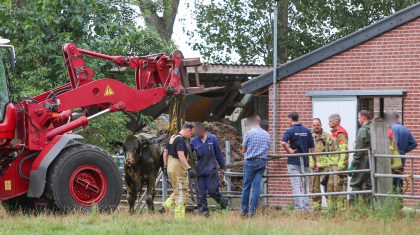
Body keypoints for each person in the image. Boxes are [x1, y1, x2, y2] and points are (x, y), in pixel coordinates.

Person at [190, 122, 229, 216]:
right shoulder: (193, 141)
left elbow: (218, 154)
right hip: (199, 171)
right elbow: (189, 156)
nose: (196, 134)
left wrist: (222, 167)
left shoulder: (213, 139)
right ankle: (204, 212)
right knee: (200, 193)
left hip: (211, 170)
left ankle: (224, 203)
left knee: (213, 191)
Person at [161, 123, 198, 218]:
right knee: (182, 191)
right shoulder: (181, 140)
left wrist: (165, 167)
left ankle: (165, 206)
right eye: (191, 134)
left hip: (170, 166)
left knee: (177, 190)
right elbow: (181, 155)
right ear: (188, 130)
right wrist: (189, 168)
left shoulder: (173, 137)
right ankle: (179, 217)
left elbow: (165, 153)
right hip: (178, 168)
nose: (191, 136)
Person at [281, 112, 315, 210]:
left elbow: (283, 142)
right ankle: (306, 207)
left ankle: (299, 208)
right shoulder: (307, 131)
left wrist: (290, 151)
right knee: (305, 186)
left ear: (290, 119)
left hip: (293, 162)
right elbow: (313, 149)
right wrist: (315, 162)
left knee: (296, 186)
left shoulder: (289, 130)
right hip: (305, 162)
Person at [241, 115, 270, 217]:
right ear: (259, 122)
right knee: (256, 187)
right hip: (262, 162)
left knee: (246, 187)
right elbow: (268, 148)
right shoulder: (266, 134)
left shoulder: (249, 133)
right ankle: (253, 212)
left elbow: (243, 150)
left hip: (250, 162)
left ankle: (244, 212)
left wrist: (246, 152)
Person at [385, 112, 416, 190]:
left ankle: (393, 197)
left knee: (392, 177)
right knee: (399, 176)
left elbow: (395, 143)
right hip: (402, 155)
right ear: (397, 118)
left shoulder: (392, 128)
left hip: (394, 156)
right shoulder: (405, 129)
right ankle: (399, 197)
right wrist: (404, 150)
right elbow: (414, 144)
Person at [310, 118, 334, 210]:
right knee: (315, 188)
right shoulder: (309, 136)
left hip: (325, 166)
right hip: (313, 166)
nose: (316, 127)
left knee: (327, 187)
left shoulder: (328, 136)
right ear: (312, 126)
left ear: (321, 125)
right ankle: (316, 209)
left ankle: (331, 208)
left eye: (317, 125)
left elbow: (333, 150)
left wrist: (331, 164)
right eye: (314, 125)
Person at [348, 110, 372, 203]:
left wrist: (353, 164)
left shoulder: (363, 130)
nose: (358, 120)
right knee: (370, 184)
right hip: (372, 161)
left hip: (363, 160)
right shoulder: (373, 128)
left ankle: (354, 206)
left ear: (363, 118)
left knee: (355, 183)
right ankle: (370, 206)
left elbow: (359, 149)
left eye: (358, 118)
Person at [328, 113, 348, 207]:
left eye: (330, 121)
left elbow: (344, 151)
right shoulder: (333, 133)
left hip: (338, 166)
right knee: (331, 187)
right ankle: (333, 209)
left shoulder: (341, 133)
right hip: (332, 166)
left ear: (336, 121)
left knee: (339, 187)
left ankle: (341, 210)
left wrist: (341, 166)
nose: (329, 123)